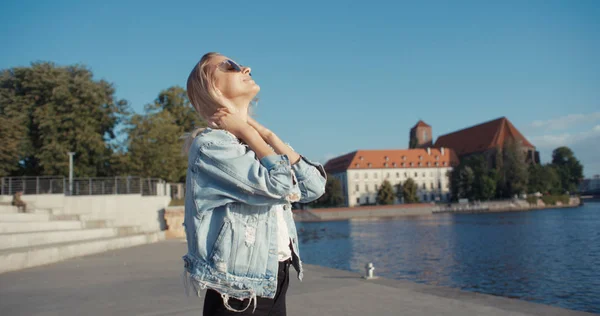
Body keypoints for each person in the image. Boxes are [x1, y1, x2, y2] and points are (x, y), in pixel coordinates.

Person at [181, 52, 327, 315]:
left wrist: (267, 134)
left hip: (274, 281)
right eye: (231, 66)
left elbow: (313, 187)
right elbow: (280, 185)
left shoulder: (256, 144)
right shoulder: (212, 146)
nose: (246, 68)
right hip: (237, 296)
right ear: (212, 85)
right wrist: (249, 131)